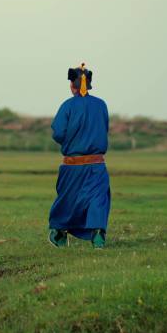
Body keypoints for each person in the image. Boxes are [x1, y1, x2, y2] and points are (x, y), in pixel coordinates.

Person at [48, 63, 111, 248]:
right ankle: (98, 235)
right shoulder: (101, 105)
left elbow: (58, 133)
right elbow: (104, 128)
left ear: (72, 85)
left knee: (68, 200)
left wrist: (73, 141)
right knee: (98, 198)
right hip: (97, 165)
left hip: (72, 166)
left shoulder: (67, 106)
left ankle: (59, 233)